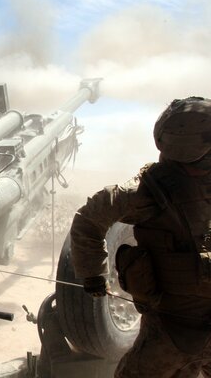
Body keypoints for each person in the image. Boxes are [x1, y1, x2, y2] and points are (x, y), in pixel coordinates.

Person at [70, 96, 211, 377]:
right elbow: (89, 220)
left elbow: (89, 219)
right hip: (174, 327)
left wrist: (93, 277)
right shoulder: (147, 193)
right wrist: (94, 275)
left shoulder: (144, 193)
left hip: (169, 334)